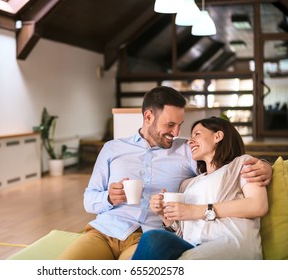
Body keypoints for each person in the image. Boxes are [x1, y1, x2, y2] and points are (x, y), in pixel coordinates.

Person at [58, 86, 272, 260]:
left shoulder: (186, 149)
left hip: (146, 236)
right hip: (104, 231)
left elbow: (223, 161)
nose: (176, 133)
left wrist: (265, 166)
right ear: (148, 116)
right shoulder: (112, 148)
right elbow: (89, 199)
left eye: (180, 125)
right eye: (170, 124)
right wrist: (108, 197)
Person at [132, 117, 268, 260]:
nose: (190, 141)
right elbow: (182, 233)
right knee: (153, 238)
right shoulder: (188, 184)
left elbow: (258, 205)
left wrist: (195, 211)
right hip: (192, 246)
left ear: (218, 136)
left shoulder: (241, 164)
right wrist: (163, 214)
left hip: (229, 243)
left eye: (197, 134)